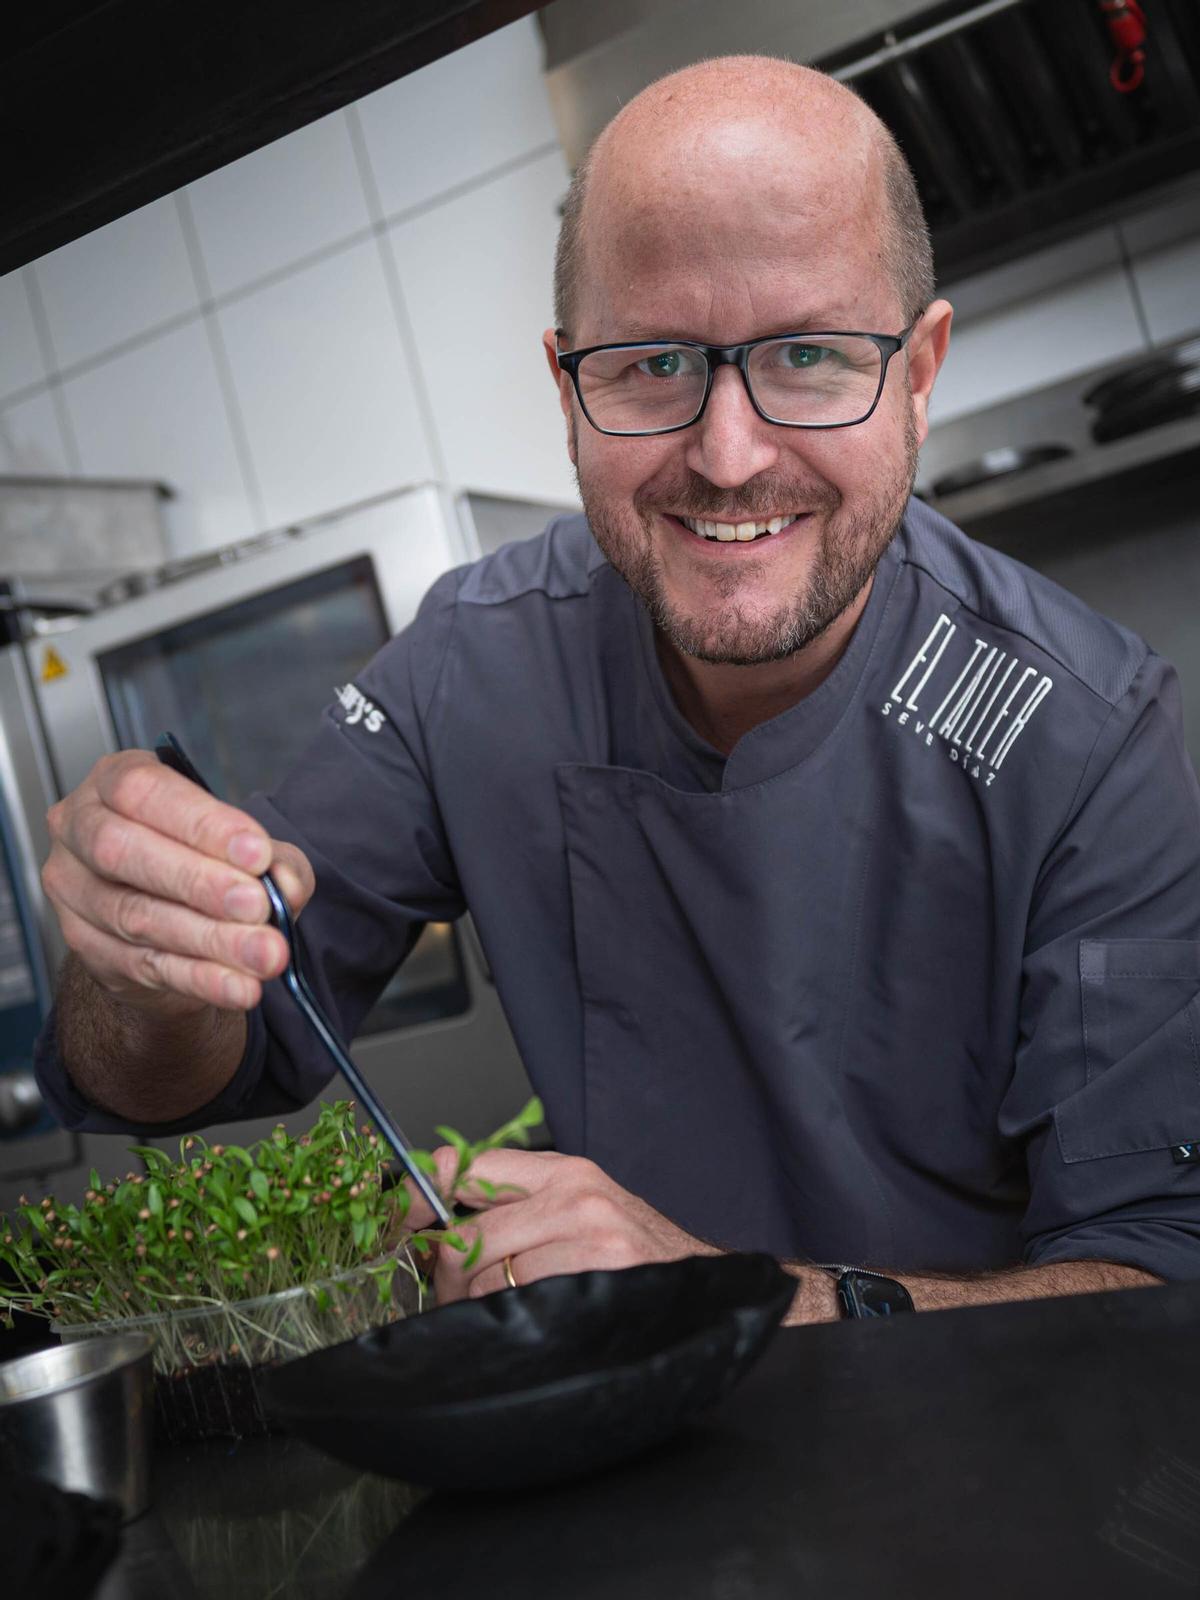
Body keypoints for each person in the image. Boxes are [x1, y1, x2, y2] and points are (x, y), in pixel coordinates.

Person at [34, 57, 1200, 1323]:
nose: (728, 454)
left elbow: (1154, 1292)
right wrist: (139, 963)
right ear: (565, 384)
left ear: (919, 375)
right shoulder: (475, 664)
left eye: (809, 355)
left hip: (990, 1479)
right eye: (652, 364)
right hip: (625, 1476)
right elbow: (191, 1070)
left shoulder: (1089, 740)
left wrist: (730, 1294)